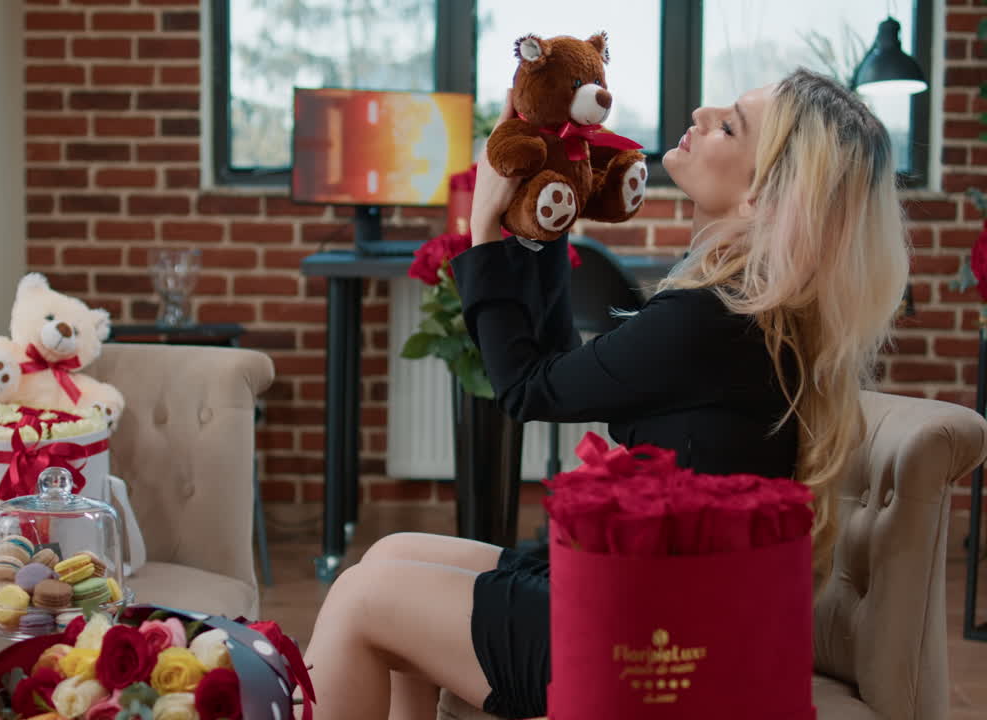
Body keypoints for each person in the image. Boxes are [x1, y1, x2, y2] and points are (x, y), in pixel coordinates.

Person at [298, 68, 909, 720]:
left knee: (364, 597)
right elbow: (560, 367)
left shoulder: (710, 321)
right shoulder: (747, 315)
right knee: (389, 555)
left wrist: (484, 223)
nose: (700, 113)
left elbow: (528, 388)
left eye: (729, 124)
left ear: (762, 196)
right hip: (650, 598)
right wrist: (541, 219)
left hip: (646, 641)